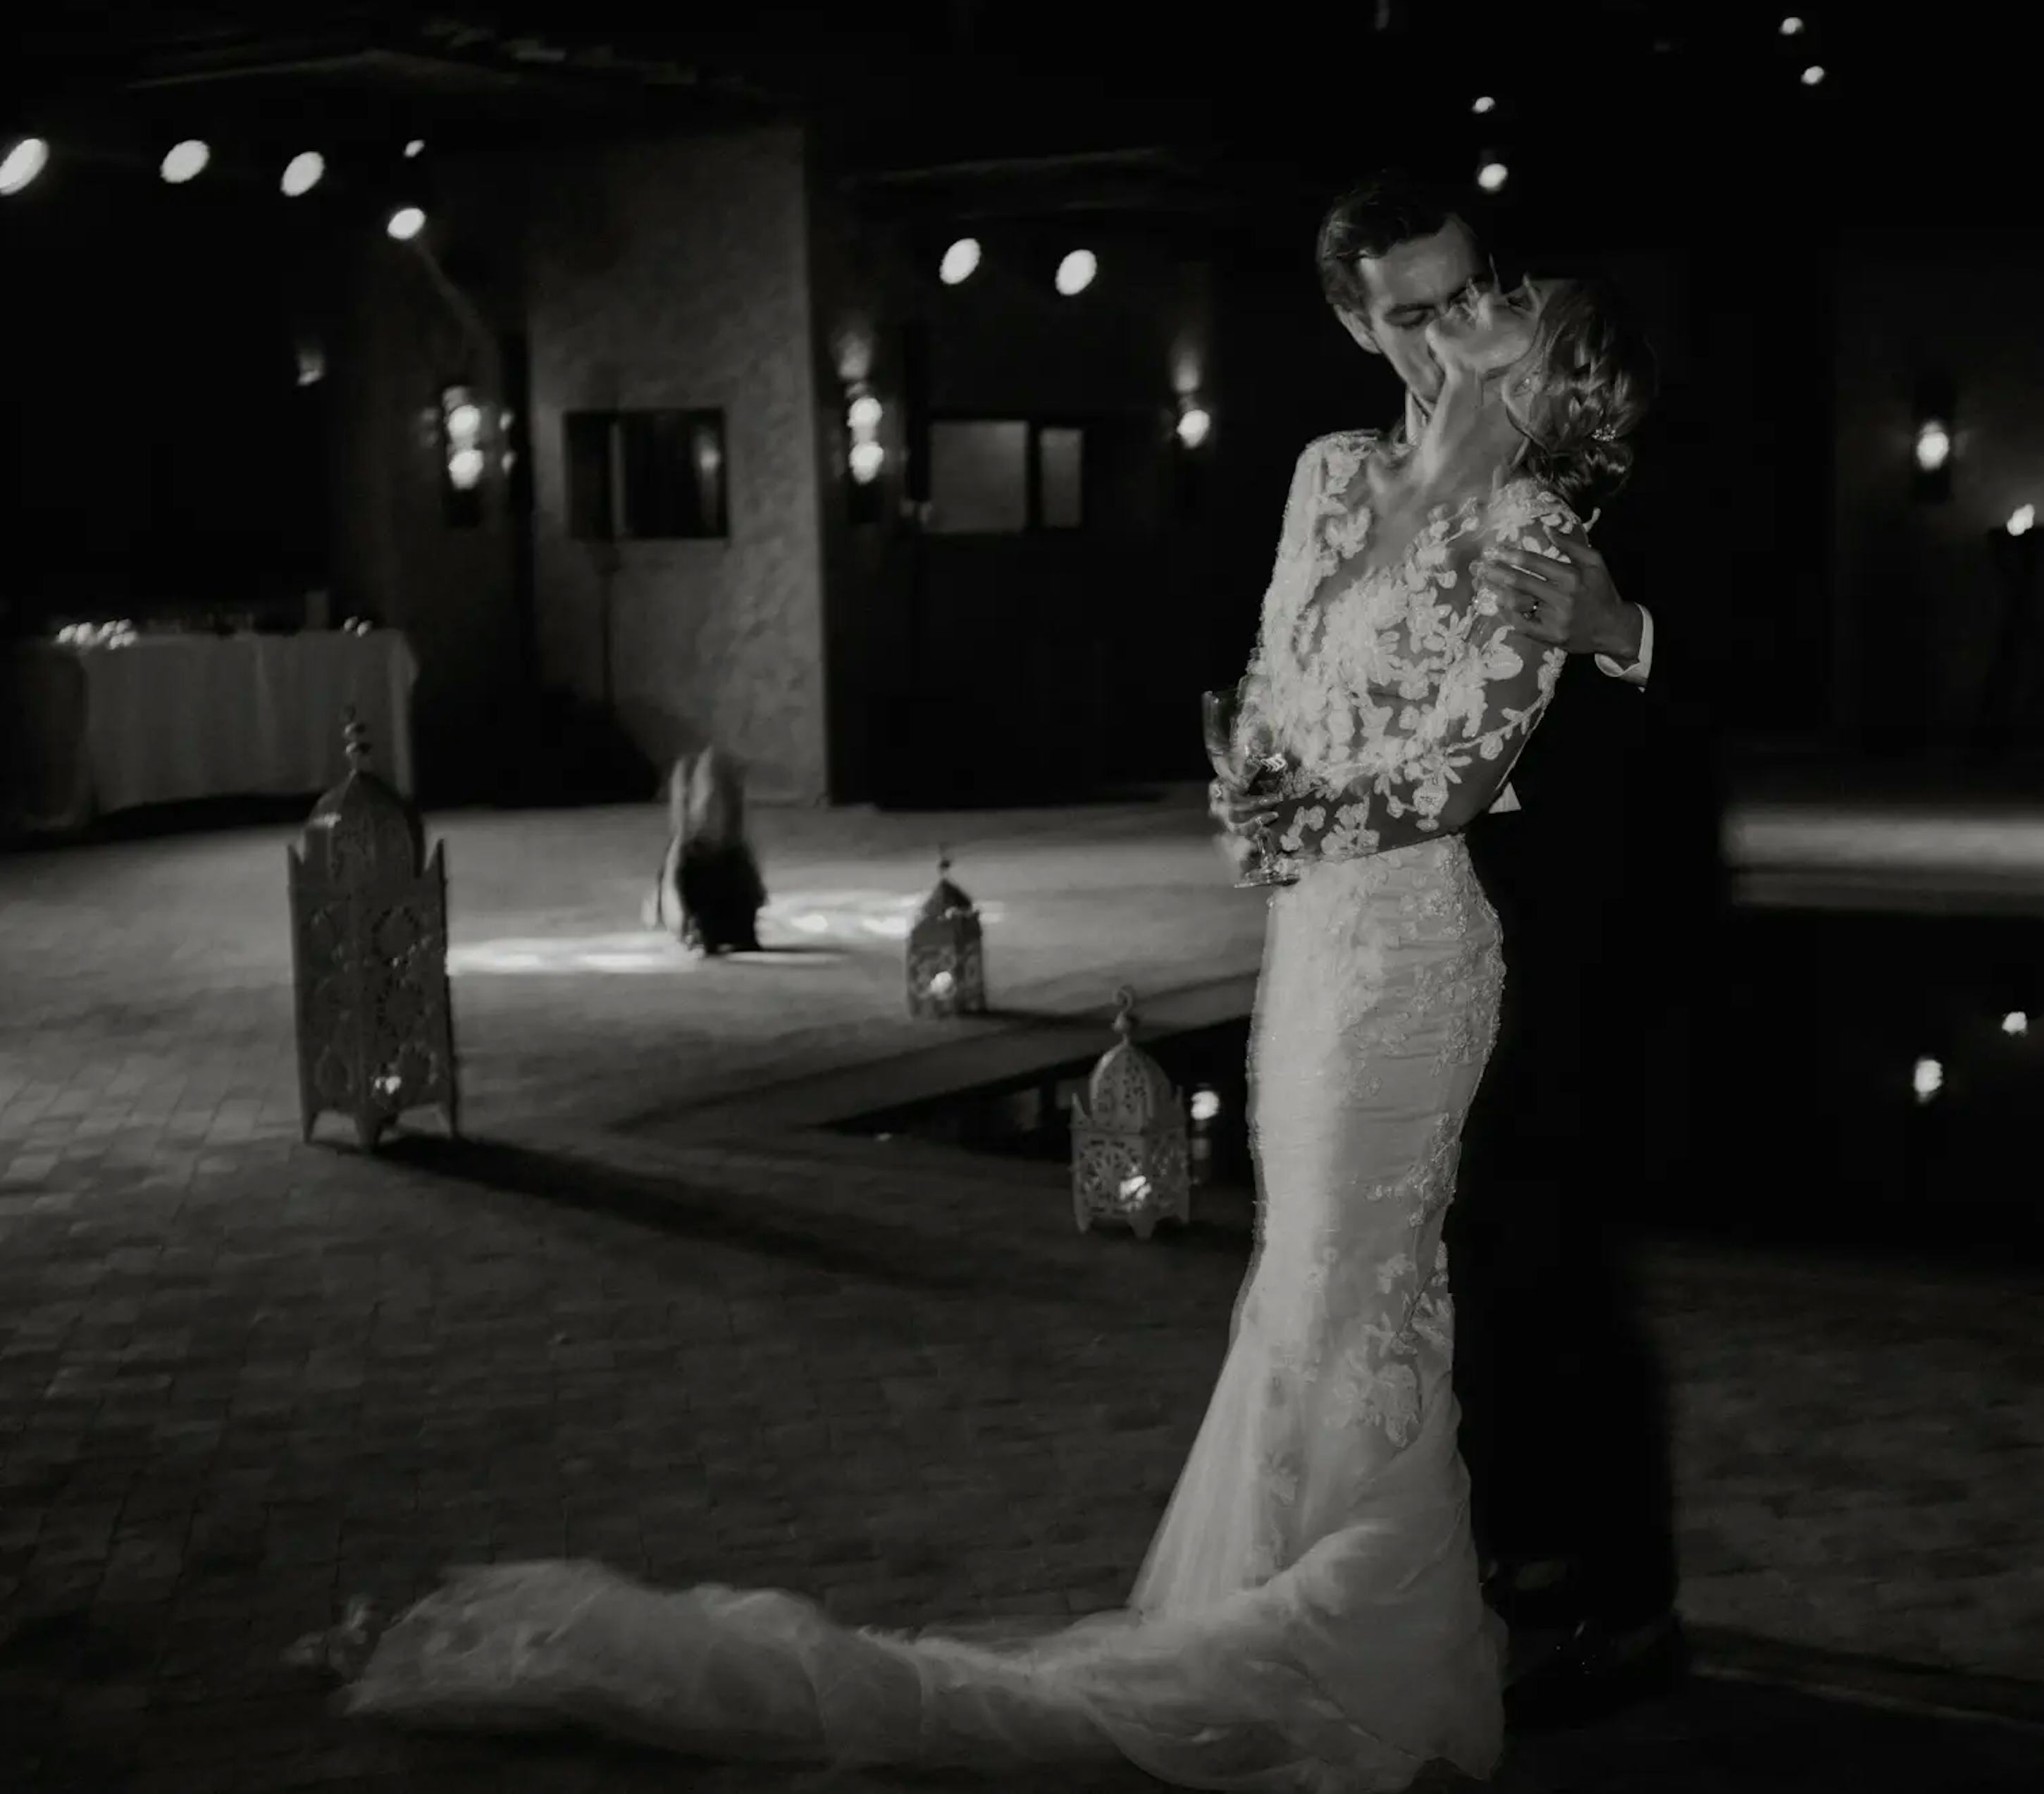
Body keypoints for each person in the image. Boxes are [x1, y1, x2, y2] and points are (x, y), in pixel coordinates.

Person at [314, 257, 1661, 1794]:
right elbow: (1297, 687)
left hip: (1414, 948)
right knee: (1299, 1274)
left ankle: (1352, 1627)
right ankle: (1273, 1584)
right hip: (1313, 941)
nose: (1471, 303)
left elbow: (1462, 779)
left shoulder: (1537, 535)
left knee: (1370, 1281)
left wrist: (1312, 809)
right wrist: (1256, 779)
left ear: (1539, 375)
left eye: (1506, 307)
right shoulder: (1364, 486)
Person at [1309, 173, 1697, 1731]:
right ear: (1358, 325)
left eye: (1466, 298)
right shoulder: (1369, 480)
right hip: (1418, 933)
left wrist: (1629, 631)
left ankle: (1633, 1594)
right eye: (1411, 314)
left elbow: (1736, 679)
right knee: (1456, 1266)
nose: (1450, 334)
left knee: (1566, 1260)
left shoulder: (1600, 445)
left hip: (1582, 931)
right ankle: (1523, 1552)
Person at [647, 748, 767, 955]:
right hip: (700, 879)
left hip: (720, 862)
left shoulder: (732, 848)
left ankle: (718, 929)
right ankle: (703, 929)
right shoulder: (689, 851)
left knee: (722, 848)